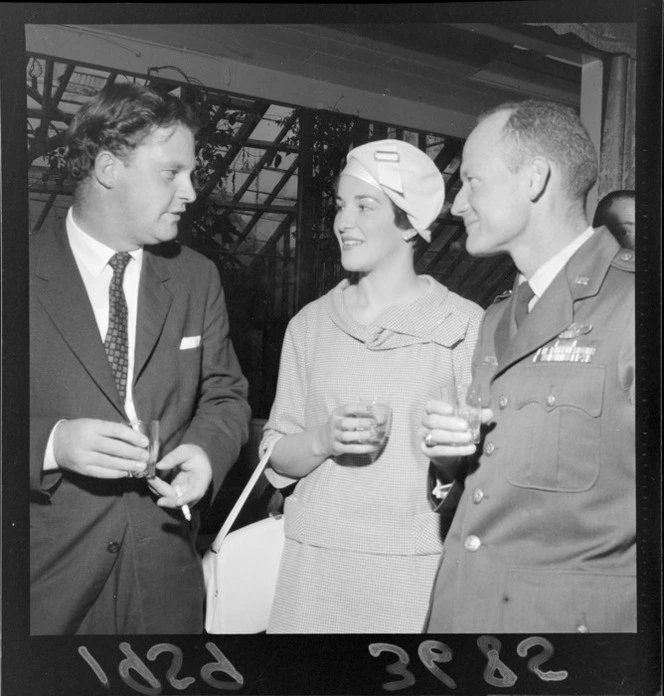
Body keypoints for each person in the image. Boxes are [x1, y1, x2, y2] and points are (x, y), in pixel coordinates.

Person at [29, 83, 251, 634]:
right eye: (171, 173)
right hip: (42, 581)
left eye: (191, 173)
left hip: (165, 580)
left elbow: (226, 394)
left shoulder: (197, 277)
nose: (191, 192)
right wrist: (52, 444)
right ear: (108, 168)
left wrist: (205, 451)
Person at [422, 100, 635, 633]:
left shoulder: (635, 307)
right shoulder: (497, 317)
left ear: (535, 179)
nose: (456, 204)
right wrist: (450, 466)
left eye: (472, 181)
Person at [259, 139, 484, 633]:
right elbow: (276, 453)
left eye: (365, 206)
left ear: (410, 223)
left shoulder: (464, 326)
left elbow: (481, 476)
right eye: (341, 206)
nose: (343, 222)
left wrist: (453, 457)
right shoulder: (311, 325)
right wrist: (322, 440)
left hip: (414, 567)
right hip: (314, 566)